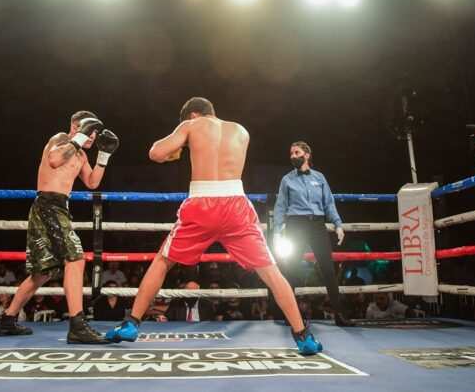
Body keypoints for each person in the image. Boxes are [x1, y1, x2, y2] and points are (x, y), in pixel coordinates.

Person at [105, 97, 323, 355]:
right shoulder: (241, 130)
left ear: (193, 115)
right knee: (271, 271)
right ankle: (303, 336)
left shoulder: (191, 126)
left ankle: (132, 323)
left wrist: (179, 148)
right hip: (236, 204)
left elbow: (156, 153)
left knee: (163, 261)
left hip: (201, 204)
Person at [0, 110, 119, 343]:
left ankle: (7, 320)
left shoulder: (80, 155)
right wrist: (79, 136)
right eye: (88, 129)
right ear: (74, 126)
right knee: (76, 258)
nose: (92, 135)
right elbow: (54, 160)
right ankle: (78, 325)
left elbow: (92, 182)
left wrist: (104, 155)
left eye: (94, 132)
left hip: (57, 207)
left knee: (43, 271)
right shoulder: (61, 140)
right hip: (47, 204)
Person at [272, 141, 353, 327]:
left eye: (296, 152)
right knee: (290, 270)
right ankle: (289, 316)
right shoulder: (287, 180)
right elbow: (280, 206)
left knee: (328, 270)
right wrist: (277, 231)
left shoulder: (320, 178)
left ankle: (340, 315)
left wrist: (338, 224)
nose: (293, 156)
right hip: (296, 225)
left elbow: (329, 203)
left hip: (317, 224)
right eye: (291, 153)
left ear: (306, 155)